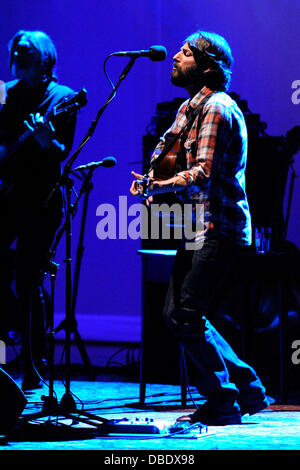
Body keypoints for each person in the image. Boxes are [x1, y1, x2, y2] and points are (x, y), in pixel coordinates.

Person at [130, 31, 269, 425]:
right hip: (198, 226)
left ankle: (223, 401)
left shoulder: (217, 108)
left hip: (219, 226)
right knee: (178, 312)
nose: (175, 57)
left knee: (185, 313)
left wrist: (159, 184)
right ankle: (249, 390)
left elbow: (202, 171)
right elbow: (164, 152)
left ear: (208, 67)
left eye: (186, 53)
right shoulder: (189, 107)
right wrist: (150, 178)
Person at [0, 30, 77, 390]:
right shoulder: (8, 94)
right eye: (15, 49)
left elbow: (62, 152)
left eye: (24, 49)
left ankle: (35, 361)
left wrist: (48, 140)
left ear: (44, 58)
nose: (15, 52)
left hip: (41, 201)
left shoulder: (63, 99)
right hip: (6, 197)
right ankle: (6, 348)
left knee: (30, 279)